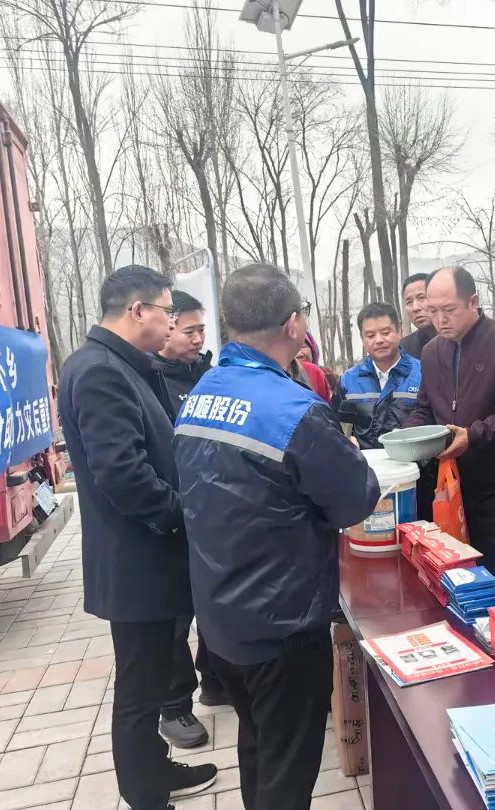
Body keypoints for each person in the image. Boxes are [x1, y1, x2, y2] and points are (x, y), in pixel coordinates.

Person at [174, 263, 380, 810]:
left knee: (259, 745)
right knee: (287, 770)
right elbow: (355, 499)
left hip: (221, 618)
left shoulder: (202, 392)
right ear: (293, 324)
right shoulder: (294, 409)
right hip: (282, 625)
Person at [58, 265, 217, 810]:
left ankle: (154, 770)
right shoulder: (101, 373)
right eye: (168, 311)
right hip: (138, 560)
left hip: (145, 557)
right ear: (137, 310)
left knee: (149, 678)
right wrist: (183, 515)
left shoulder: (118, 365)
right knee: (139, 686)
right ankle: (145, 794)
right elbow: (122, 475)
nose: (172, 322)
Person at [406, 265, 495, 591]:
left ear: (473, 302)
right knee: (464, 583)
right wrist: (406, 439)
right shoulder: (432, 351)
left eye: (449, 310)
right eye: (433, 311)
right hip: (453, 490)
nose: (441, 320)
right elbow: (425, 408)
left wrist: (474, 435)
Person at [153, 290, 229, 737]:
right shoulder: (151, 380)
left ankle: (216, 682)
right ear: (167, 328)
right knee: (176, 615)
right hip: (175, 512)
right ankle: (174, 707)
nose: (199, 339)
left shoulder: (208, 374)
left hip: (215, 509)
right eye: (189, 331)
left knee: (217, 599)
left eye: (202, 329)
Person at [336, 302, 422, 449]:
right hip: (365, 462)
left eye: (385, 333)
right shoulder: (348, 380)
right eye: (370, 335)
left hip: (413, 460)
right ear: (362, 339)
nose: (379, 340)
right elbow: (336, 425)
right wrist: (346, 438)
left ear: (399, 331)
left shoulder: (421, 373)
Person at [399, 273, 437, 359]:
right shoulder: (403, 350)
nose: (415, 308)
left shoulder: (460, 339)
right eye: (409, 302)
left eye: (421, 297)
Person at [293, 332, 331, 401]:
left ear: (313, 350)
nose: (299, 354)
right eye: (292, 348)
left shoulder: (328, 375)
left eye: (303, 346)